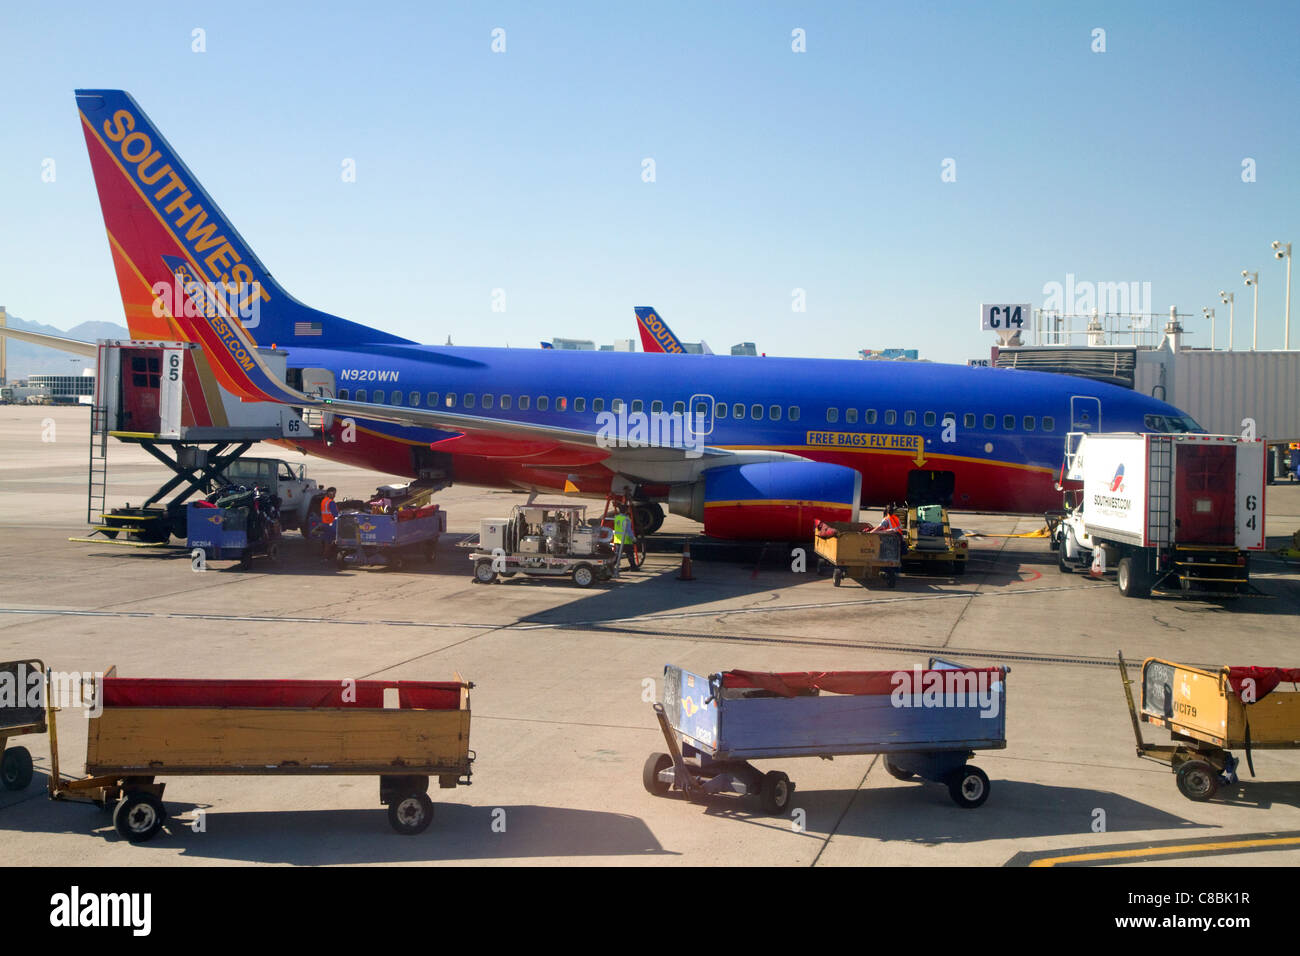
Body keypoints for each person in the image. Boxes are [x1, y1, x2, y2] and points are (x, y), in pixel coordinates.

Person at [612, 505, 636, 577]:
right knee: (630, 554)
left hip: (617, 540)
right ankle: (633, 567)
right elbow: (628, 530)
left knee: (617, 555)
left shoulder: (616, 518)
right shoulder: (626, 519)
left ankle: (611, 567)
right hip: (625, 540)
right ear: (626, 510)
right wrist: (633, 538)